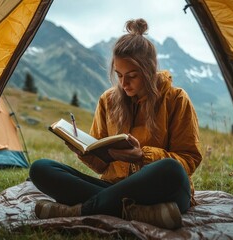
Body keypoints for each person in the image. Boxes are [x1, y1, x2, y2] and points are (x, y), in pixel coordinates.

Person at [30, 18, 202, 230]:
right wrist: (83, 151)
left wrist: (143, 156)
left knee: (171, 169)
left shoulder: (176, 99)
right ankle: (136, 212)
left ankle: (79, 211)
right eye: (119, 75)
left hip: (162, 191)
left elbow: (189, 160)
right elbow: (101, 165)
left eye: (132, 76)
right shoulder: (107, 100)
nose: (124, 83)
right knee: (41, 168)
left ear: (149, 71)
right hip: (114, 188)